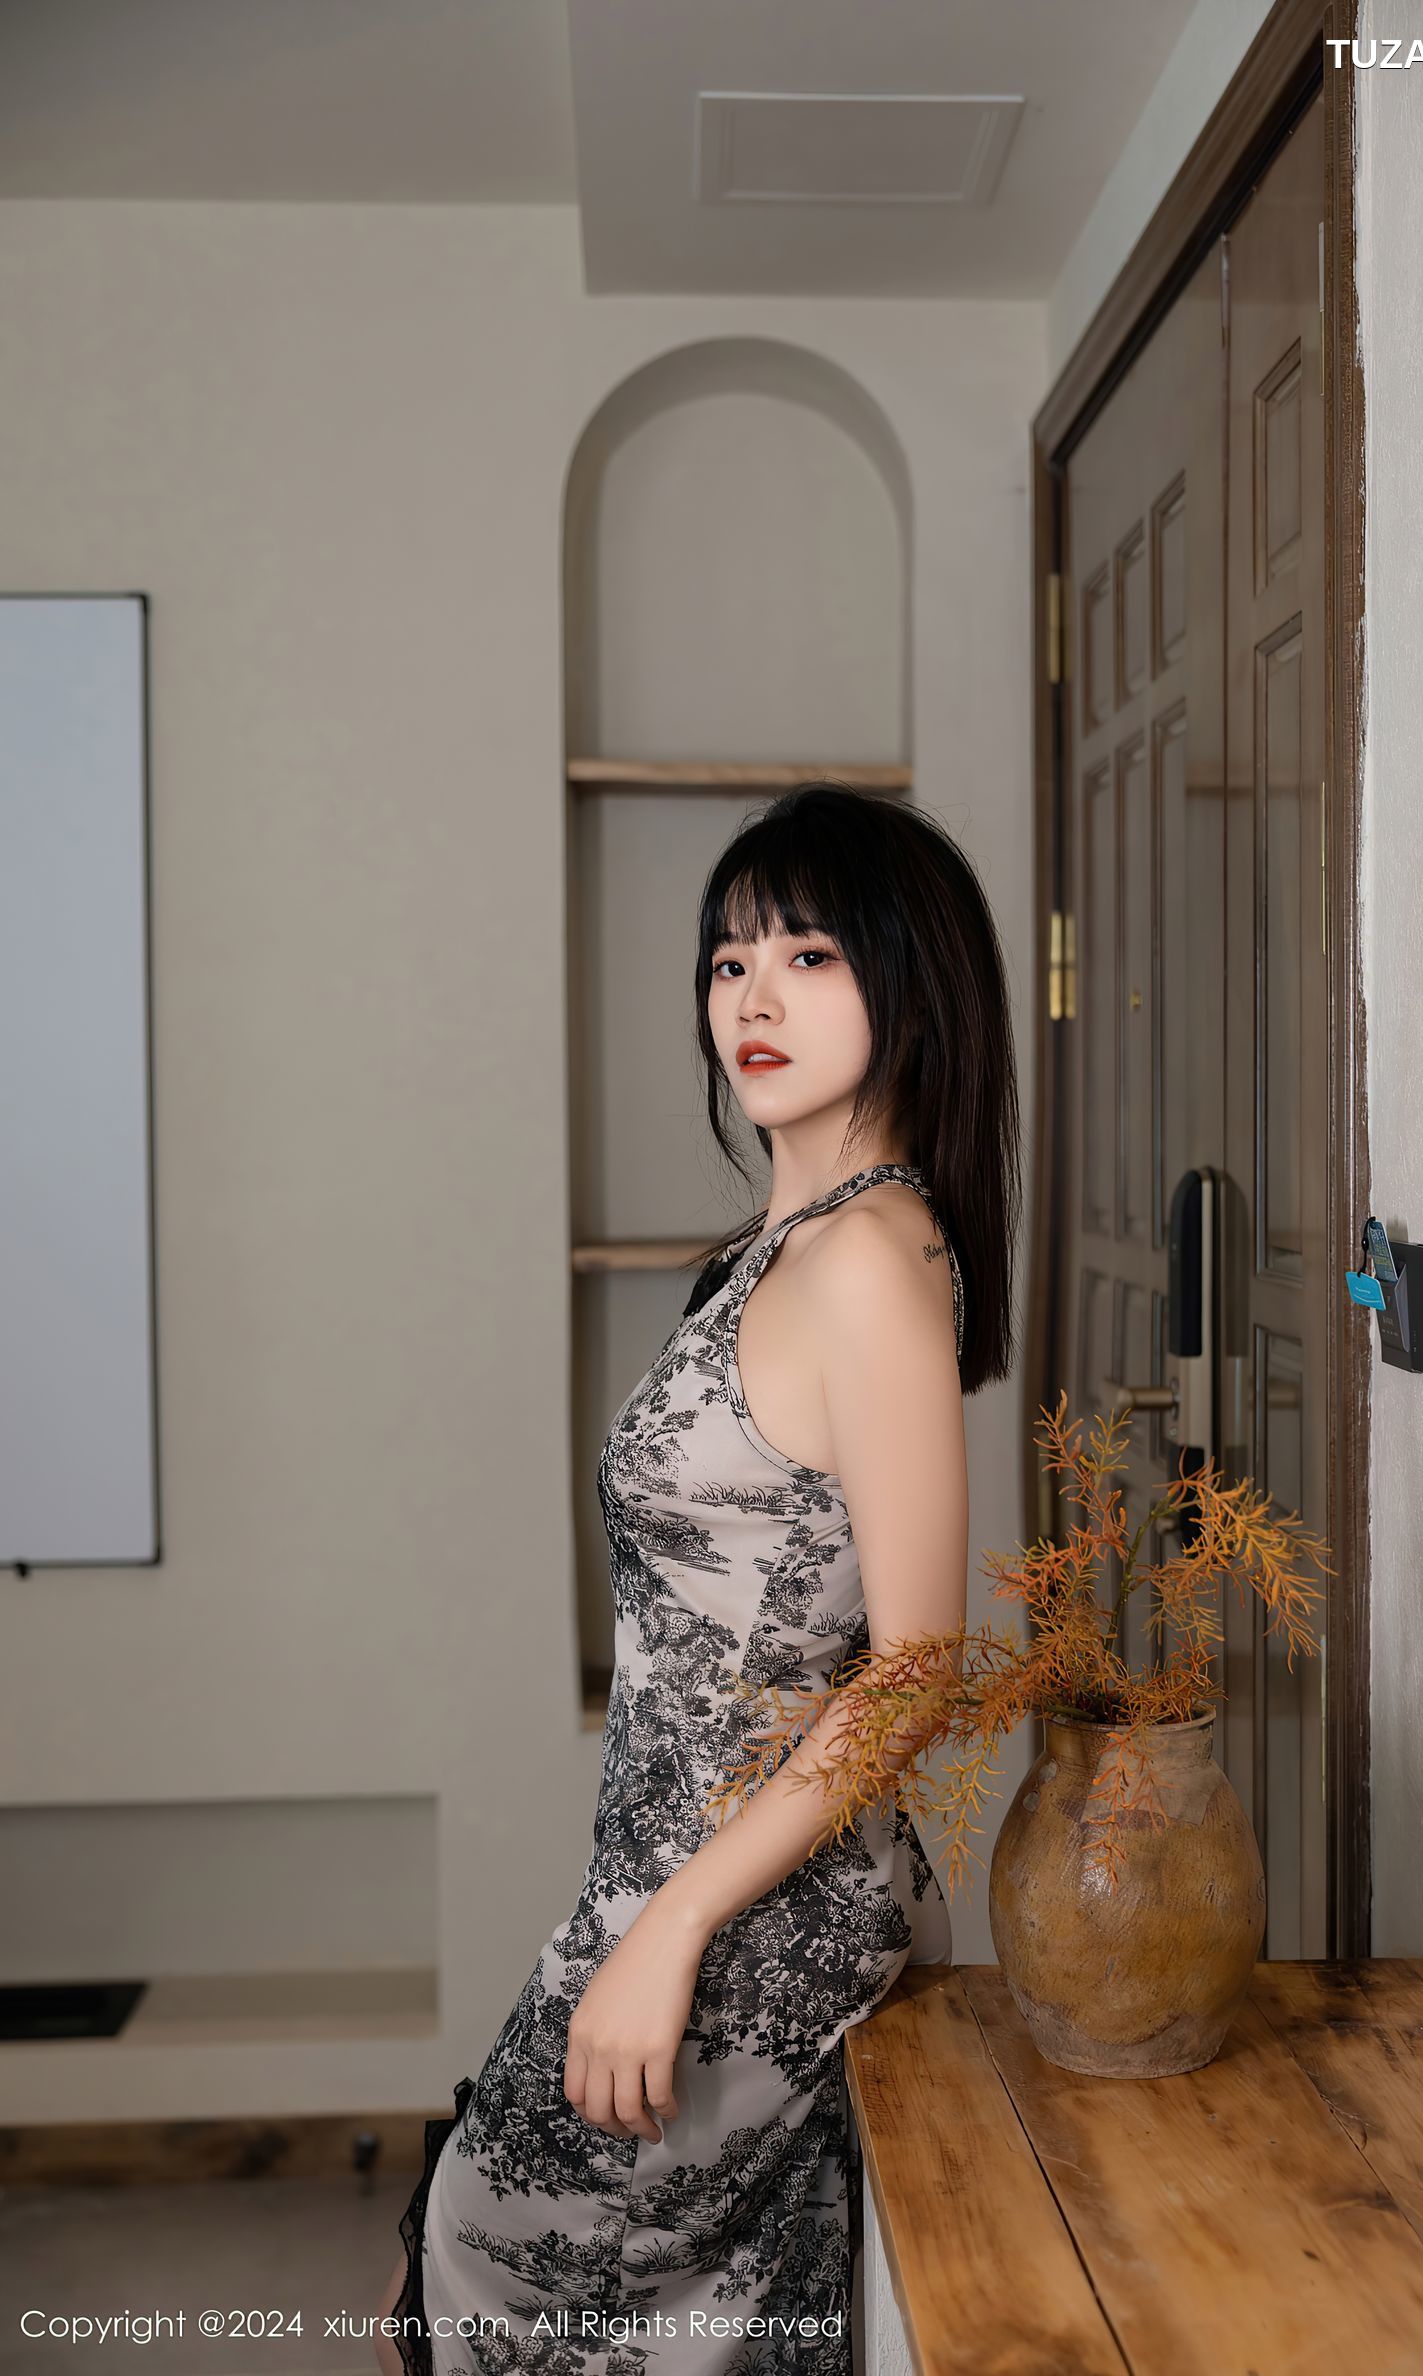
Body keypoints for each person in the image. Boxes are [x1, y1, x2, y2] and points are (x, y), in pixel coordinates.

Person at [372, 781, 1020, 2376]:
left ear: (909, 984)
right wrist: (647, 1914)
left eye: (808, 955)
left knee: (477, 2270)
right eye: (729, 963)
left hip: (749, 1922)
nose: (754, 998)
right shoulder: (770, 1254)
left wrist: (668, 1935)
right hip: (674, 1881)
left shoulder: (868, 1264)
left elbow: (918, 1670)